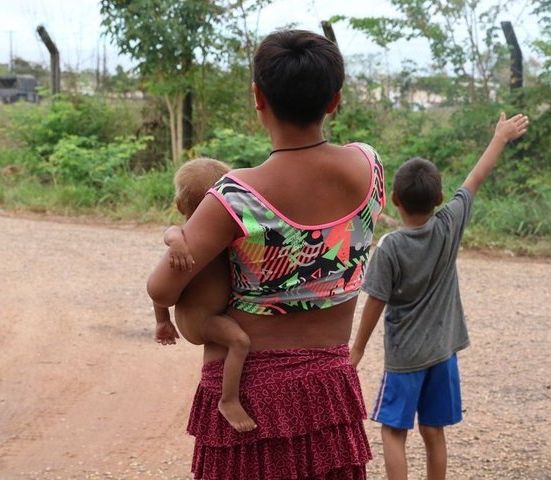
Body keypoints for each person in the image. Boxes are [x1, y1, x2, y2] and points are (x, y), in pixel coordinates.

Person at [147, 29, 386, 479]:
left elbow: (162, 288)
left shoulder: (236, 196)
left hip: (249, 397)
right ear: (334, 101)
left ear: (258, 97)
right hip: (329, 391)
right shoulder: (369, 166)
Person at [350, 112, 530, 480]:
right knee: (433, 431)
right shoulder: (449, 225)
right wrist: (500, 137)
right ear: (440, 198)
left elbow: (375, 302)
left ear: (394, 200)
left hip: (405, 358)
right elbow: (476, 178)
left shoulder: (390, 247)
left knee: (393, 431)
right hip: (443, 353)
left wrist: (358, 349)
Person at [152, 157, 257, 433]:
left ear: (179, 204)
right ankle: (228, 399)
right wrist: (176, 242)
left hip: (210, 313)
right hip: (199, 321)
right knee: (239, 341)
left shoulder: (225, 233)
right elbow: (170, 236)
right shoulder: (184, 237)